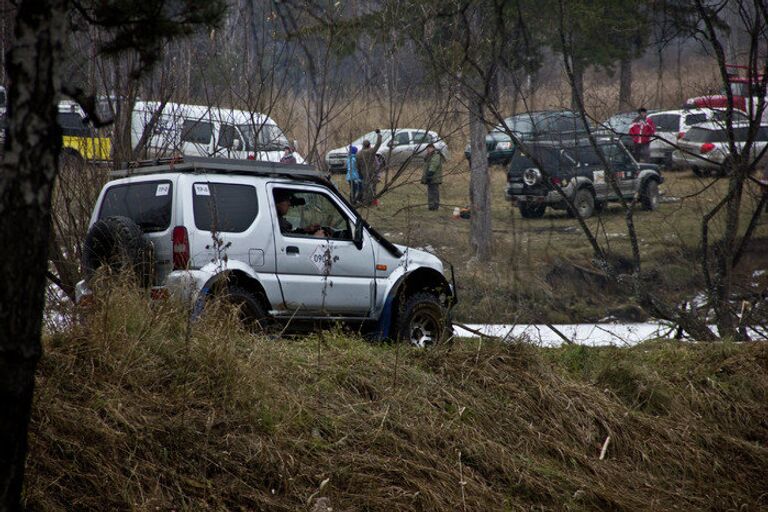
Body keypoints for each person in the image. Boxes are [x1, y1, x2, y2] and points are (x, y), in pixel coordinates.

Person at [357, 129, 382, 205]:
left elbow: (357, 165)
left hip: (363, 172)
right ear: (369, 145)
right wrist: (379, 134)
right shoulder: (371, 151)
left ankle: (365, 201)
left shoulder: (358, 154)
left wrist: (359, 172)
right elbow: (378, 144)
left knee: (366, 186)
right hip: (372, 171)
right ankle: (372, 201)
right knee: (373, 187)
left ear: (363, 145)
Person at [421, 143, 443, 210]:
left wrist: (429, 174)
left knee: (434, 191)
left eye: (430, 148)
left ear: (433, 148)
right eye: (427, 149)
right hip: (429, 176)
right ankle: (431, 205)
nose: (428, 150)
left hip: (434, 176)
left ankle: (435, 205)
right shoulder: (428, 156)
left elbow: (433, 165)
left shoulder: (436, 156)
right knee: (430, 191)